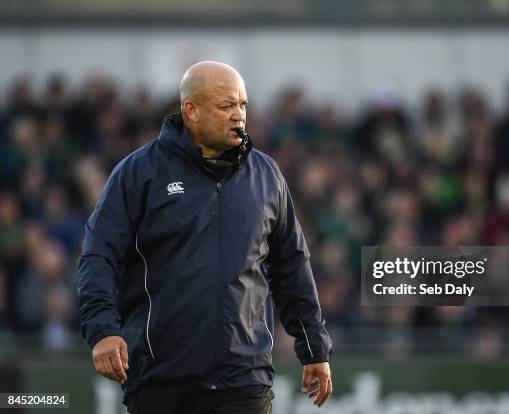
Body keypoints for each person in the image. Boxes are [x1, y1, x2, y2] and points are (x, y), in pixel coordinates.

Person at [77, 61, 333, 413]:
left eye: (243, 105)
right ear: (191, 111)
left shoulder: (267, 175)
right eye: (227, 106)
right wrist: (103, 329)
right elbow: (99, 255)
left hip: (243, 379)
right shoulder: (138, 173)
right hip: (159, 378)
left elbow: (291, 265)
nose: (238, 115)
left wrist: (313, 347)